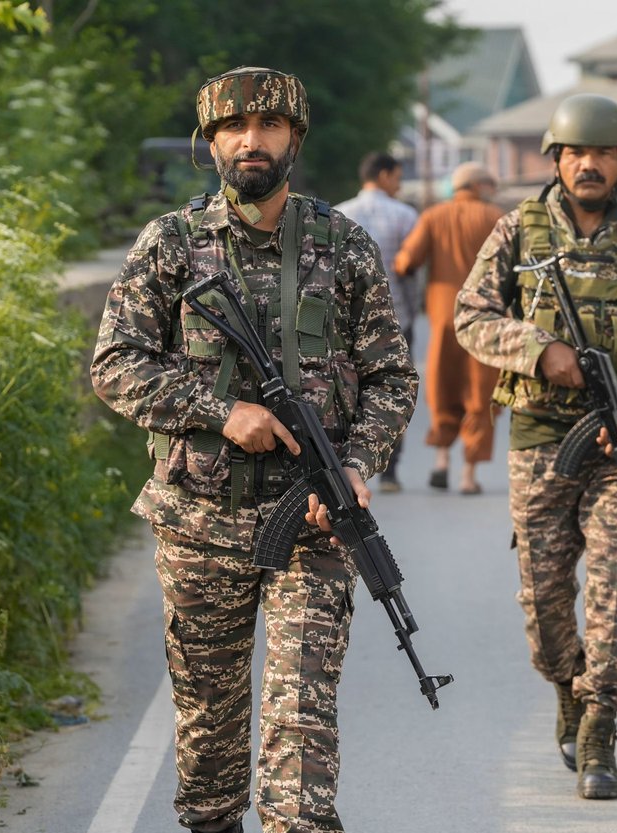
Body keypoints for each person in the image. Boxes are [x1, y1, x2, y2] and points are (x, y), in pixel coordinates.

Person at [90, 66, 418, 833]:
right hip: (200, 519)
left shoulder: (343, 246)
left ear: (294, 139)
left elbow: (392, 377)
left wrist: (360, 462)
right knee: (208, 727)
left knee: (300, 716)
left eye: (269, 125)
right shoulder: (171, 244)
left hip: (313, 519)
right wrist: (218, 410)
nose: (251, 140)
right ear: (210, 144)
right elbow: (113, 364)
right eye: (233, 128)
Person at [454, 94, 617, 800]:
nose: (590, 165)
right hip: (539, 437)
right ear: (556, 160)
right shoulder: (518, 232)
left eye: (604, 154)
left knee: (615, 596)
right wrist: (537, 350)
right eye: (576, 154)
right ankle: (566, 684)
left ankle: (598, 727)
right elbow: (471, 316)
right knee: (543, 600)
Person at [395, 162, 503, 495]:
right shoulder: (497, 219)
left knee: (443, 388)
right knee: (481, 395)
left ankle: (442, 460)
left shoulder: (433, 217)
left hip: (444, 319)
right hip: (486, 320)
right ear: (481, 185)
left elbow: (405, 262)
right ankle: (468, 475)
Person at [335, 152, 419, 492]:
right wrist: (411, 313)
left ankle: (344, 469)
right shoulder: (405, 215)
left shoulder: (339, 214)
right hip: (393, 319)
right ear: (384, 175)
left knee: (345, 395)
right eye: (397, 177)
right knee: (391, 393)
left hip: (343, 324)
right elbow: (411, 272)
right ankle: (390, 471)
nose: (399, 185)